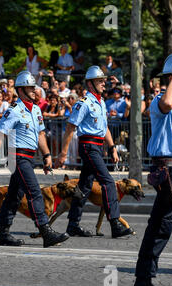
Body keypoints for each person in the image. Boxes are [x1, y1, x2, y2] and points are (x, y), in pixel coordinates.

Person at [0, 70, 70, 248]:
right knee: (34, 191)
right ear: (20, 90)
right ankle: (45, 231)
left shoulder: (36, 109)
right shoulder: (13, 110)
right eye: (30, 88)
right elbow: (0, 135)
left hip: (29, 157)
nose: (34, 90)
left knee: (14, 196)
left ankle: (3, 233)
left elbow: (40, 134)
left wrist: (46, 155)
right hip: (18, 157)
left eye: (34, 87)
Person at [131, 52, 172, 286]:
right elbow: (167, 103)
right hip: (169, 171)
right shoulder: (160, 101)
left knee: (159, 228)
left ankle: (142, 284)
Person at [54, 66, 134, 238]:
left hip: (97, 147)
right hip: (88, 146)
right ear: (90, 84)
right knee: (108, 182)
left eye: (104, 80)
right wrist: (63, 154)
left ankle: (73, 225)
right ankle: (115, 223)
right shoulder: (84, 103)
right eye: (100, 81)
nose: (104, 83)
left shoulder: (101, 102)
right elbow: (70, 127)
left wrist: (112, 147)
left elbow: (104, 128)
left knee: (84, 186)